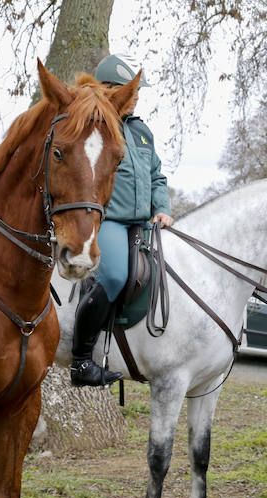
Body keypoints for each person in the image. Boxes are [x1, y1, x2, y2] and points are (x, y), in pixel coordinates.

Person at [69, 54, 174, 387]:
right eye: (131, 90)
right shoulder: (96, 126)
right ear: (109, 89)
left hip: (144, 222)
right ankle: (81, 360)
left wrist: (162, 207)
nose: (137, 96)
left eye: (138, 90)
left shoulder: (142, 131)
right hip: (111, 220)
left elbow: (157, 175)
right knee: (114, 275)